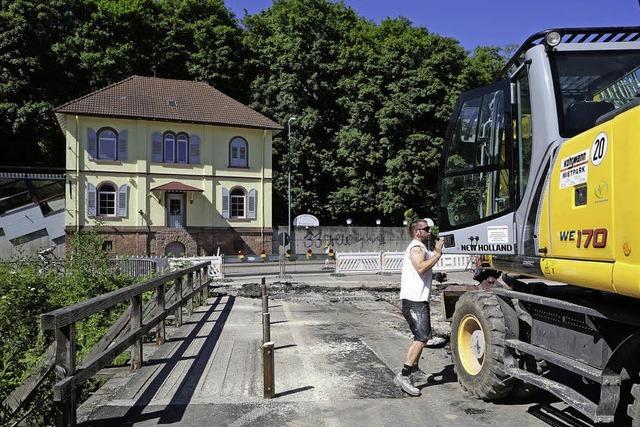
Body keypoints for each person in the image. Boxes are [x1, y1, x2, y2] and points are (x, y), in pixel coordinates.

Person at [394, 218, 445, 396]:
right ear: (417, 232)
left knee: (422, 336)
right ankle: (404, 374)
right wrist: (438, 254)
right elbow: (421, 268)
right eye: (425, 229)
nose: (429, 231)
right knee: (422, 338)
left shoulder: (421, 247)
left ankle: (415, 370)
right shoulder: (416, 248)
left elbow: (424, 270)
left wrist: (436, 275)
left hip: (418, 299)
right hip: (414, 301)